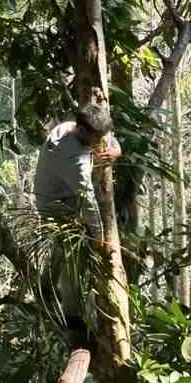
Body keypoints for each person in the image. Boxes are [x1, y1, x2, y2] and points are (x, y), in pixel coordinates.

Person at [33, 104, 121, 348]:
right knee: (74, 258)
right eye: (96, 139)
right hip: (56, 206)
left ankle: (45, 286)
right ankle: (73, 320)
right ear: (82, 130)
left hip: (63, 194)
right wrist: (99, 237)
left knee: (61, 249)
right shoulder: (71, 157)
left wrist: (116, 151)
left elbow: (108, 134)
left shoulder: (71, 127)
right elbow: (88, 202)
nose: (99, 143)